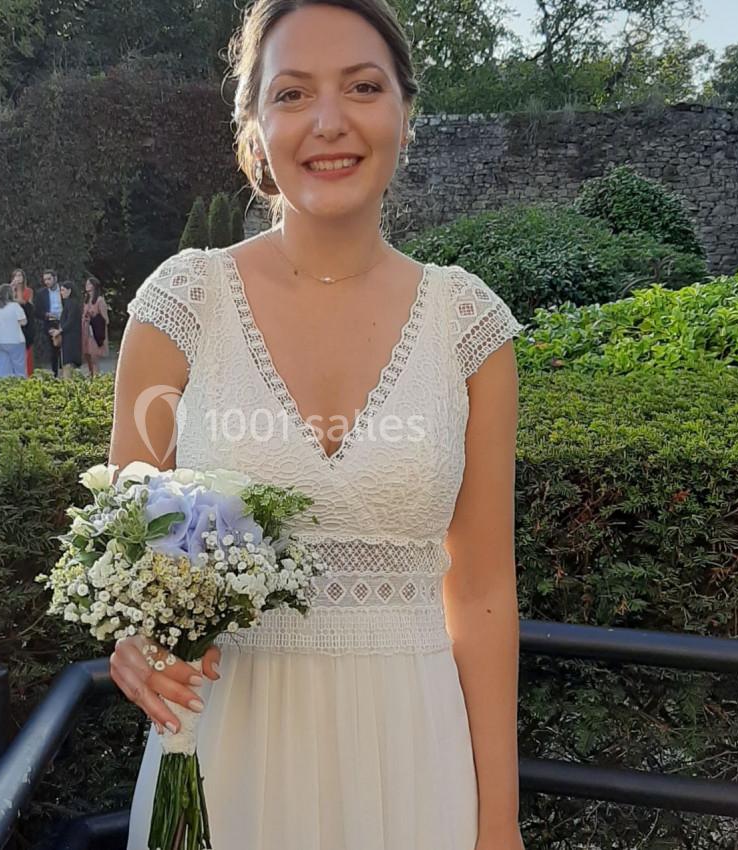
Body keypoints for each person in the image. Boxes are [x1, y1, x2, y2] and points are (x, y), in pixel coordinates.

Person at [109, 2, 526, 849]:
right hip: (226, 756)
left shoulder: (467, 325)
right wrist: (134, 638)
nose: (329, 122)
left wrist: (499, 822)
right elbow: (139, 552)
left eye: (363, 87)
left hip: (414, 760)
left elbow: (480, 591)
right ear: (255, 130)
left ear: (405, 114)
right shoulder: (182, 309)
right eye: (292, 94)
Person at [0, 283, 27, 378]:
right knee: (19, 368)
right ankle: (20, 388)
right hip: (14, 340)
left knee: (3, 369)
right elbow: (23, 322)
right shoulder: (15, 306)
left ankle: (5, 388)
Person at [33, 271, 66, 377]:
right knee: (53, 349)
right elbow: (37, 312)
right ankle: (55, 373)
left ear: (55, 278)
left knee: (66, 347)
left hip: (64, 321)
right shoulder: (41, 293)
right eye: (45, 280)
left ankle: (66, 371)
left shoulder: (63, 290)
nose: (47, 282)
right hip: (51, 322)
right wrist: (46, 315)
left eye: (49, 279)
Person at [81, 276, 109, 378]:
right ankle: (91, 375)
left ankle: (96, 378)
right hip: (86, 330)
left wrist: (94, 316)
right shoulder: (86, 300)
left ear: (94, 286)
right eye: (86, 284)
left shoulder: (100, 300)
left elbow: (105, 319)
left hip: (94, 331)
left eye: (89, 284)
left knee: (94, 356)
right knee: (87, 355)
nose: (86, 286)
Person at [58, 277, 84, 377]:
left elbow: (71, 320)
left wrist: (60, 330)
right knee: (67, 361)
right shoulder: (69, 303)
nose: (61, 293)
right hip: (69, 336)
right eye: (61, 290)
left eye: (63, 290)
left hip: (71, 337)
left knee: (68, 362)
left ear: (69, 290)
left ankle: (68, 381)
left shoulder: (72, 303)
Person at [11, 269, 35, 376]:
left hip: (25, 322)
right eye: (16, 276)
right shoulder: (10, 290)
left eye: (20, 275)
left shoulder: (28, 291)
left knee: (26, 349)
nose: (18, 278)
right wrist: (12, 288)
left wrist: (19, 289)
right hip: (12, 322)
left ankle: (27, 374)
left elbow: (23, 302)